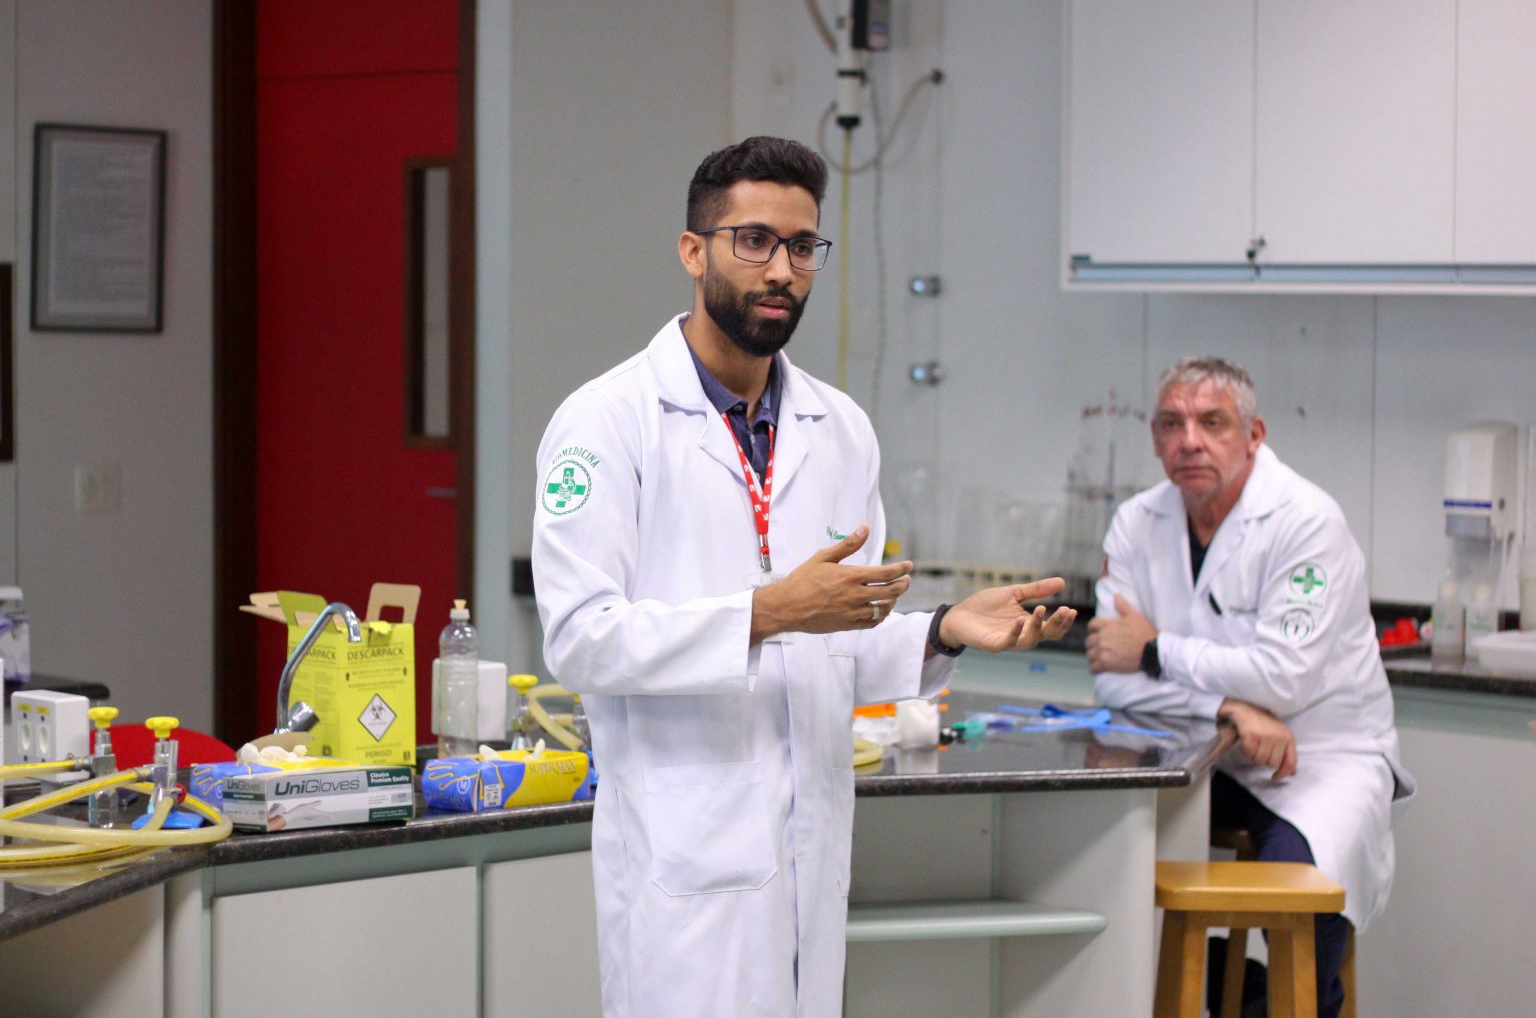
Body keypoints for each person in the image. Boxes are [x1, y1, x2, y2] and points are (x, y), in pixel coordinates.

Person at [531, 135, 1076, 1018]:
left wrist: (944, 628)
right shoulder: (608, 423)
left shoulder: (842, 428)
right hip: (683, 868)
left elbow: (836, 644)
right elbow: (580, 640)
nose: (781, 270)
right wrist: (765, 613)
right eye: (753, 241)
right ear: (693, 251)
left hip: (810, 862)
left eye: (801, 245)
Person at [1085, 357, 1414, 1018]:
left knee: (1298, 896)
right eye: (1172, 424)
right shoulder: (1136, 522)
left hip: (1316, 760)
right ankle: (1200, 989)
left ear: (1254, 434)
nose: (1190, 442)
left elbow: (1283, 678)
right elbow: (1114, 684)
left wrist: (1153, 650)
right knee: (1102, 855)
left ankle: (1288, 1001)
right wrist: (1228, 706)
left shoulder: (1306, 520)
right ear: (1155, 438)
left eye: (1212, 423)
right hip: (1201, 751)